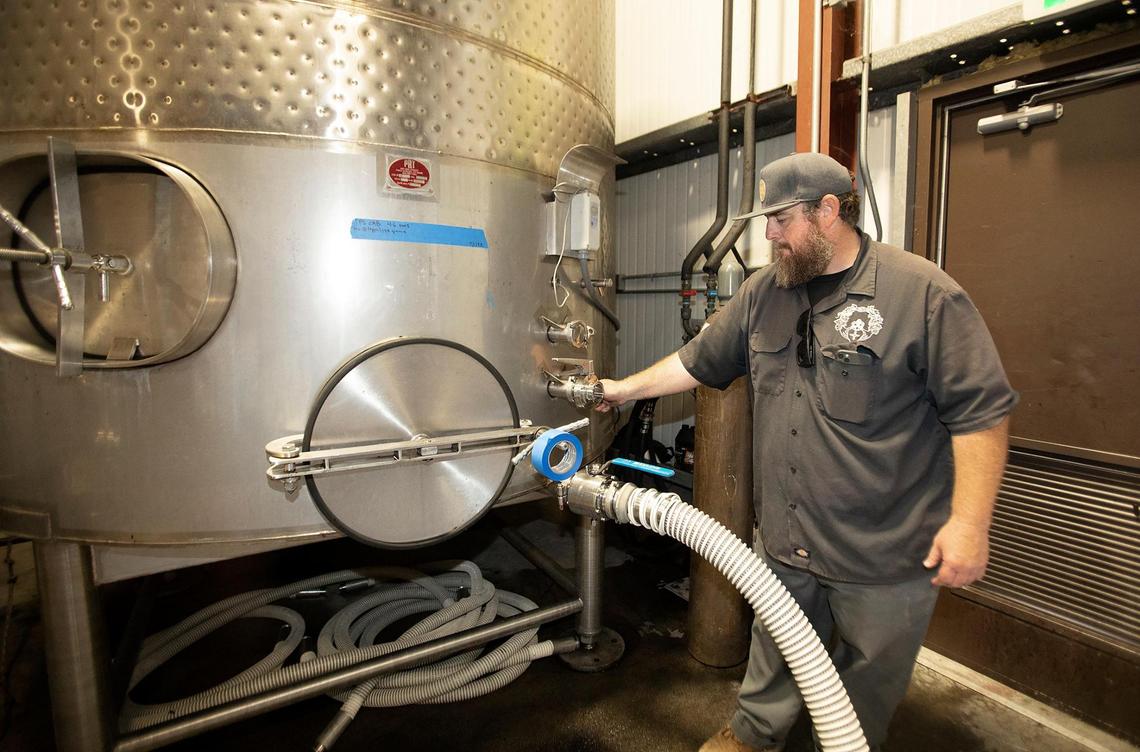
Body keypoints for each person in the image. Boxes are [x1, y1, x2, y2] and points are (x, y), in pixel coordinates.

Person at [597, 152, 1018, 752]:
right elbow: (697, 361)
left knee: (862, 687)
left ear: (828, 212)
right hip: (786, 539)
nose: (767, 236)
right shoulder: (764, 292)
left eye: (779, 220)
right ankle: (752, 735)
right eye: (763, 220)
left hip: (884, 555)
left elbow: (982, 414)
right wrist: (621, 391)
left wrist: (970, 523)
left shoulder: (921, 295)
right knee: (774, 657)